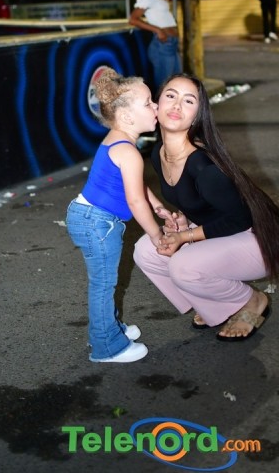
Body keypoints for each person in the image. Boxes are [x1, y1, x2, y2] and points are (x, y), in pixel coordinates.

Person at [134, 73, 279, 341]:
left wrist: (185, 236)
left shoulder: (203, 165)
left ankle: (252, 301)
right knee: (146, 251)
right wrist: (183, 220)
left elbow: (240, 219)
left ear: (197, 116)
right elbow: (197, 201)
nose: (177, 106)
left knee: (183, 266)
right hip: (223, 233)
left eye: (189, 101)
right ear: (157, 103)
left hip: (259, 241)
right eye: (171, 96)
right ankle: (217, 306)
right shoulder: (158, 152)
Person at [66, 67, 169, 363]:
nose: (156, 106)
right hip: (97, 224)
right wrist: (156, 234)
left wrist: (158, 206)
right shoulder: (129, 152)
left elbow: (134, 185)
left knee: (104, 282)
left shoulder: (118, 139)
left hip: (89, 218)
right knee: (103, 285)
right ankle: (106, 346)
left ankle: (109, 327)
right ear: (126, 116)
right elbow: (135, 201)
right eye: (148, 103)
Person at [129, 0, 181, 91]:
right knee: (165, 86)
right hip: (163, 45)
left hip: (171, 43)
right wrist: (158, 30)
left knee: (175, 83)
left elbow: (160, 13)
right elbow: (133, 19)